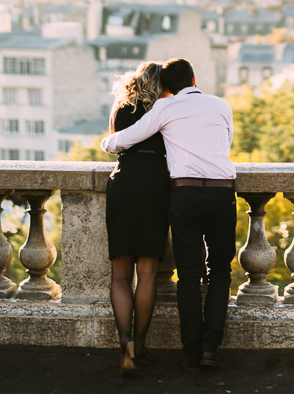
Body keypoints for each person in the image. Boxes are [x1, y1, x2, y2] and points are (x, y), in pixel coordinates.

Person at [101, 56, 236, 371]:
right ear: (194, 78)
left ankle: (186, 351)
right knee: (220, 273)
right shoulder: (222, 106)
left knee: (188, 274)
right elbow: (224, 144)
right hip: (220, 191)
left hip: (181, 192)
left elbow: (127, 139)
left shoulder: (164, 108)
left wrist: (107, 142)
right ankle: (209, 351)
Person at [105, 61, 170, 377]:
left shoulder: (122, 106)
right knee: (147, 272)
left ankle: (125, 340)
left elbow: (116, 140)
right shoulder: (166, 108)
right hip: (155, 181)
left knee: (120, 273)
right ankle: (141, 344)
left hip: (123, 178)